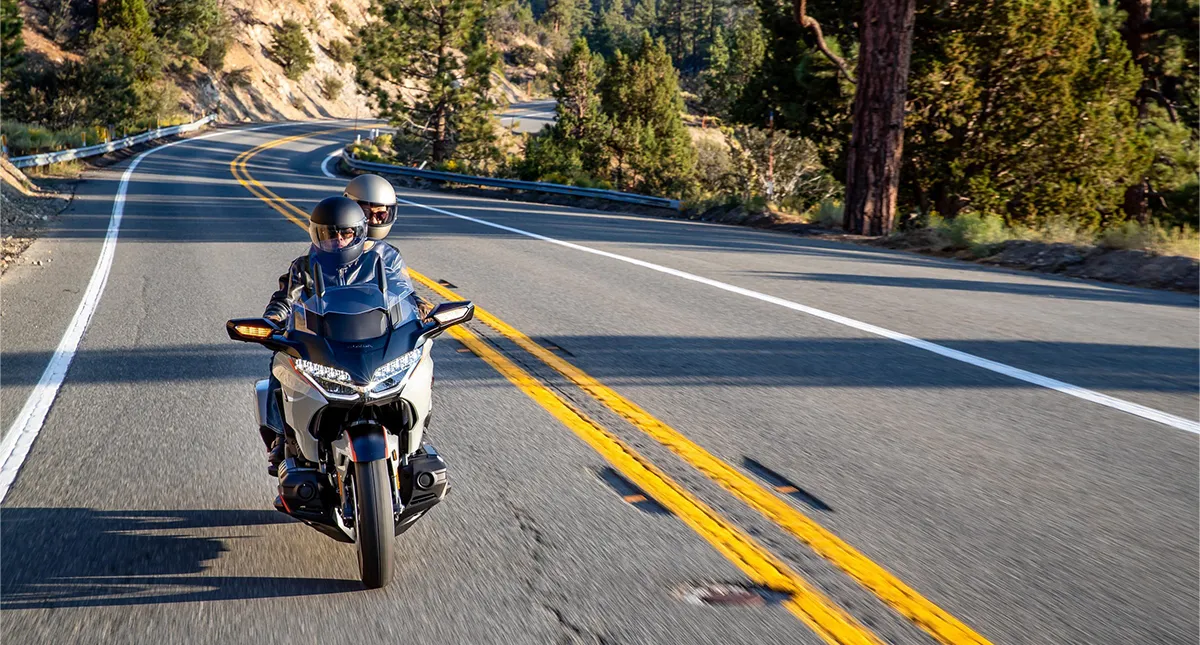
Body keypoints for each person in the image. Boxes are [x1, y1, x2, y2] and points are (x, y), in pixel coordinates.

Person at [259, 195, 417, 475]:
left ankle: (414, 431)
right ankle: (281, 435)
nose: (340, 240)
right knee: (280, 360)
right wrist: (273, 319)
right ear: (317, 235)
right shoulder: (304, 266)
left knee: (419, 355)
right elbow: (285, 298)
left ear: (359, 232)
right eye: (330, 234)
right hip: (324, 342)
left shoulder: (379, 260)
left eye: (346, 233)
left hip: (371, 339)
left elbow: (403, 292)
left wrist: (421, 310)